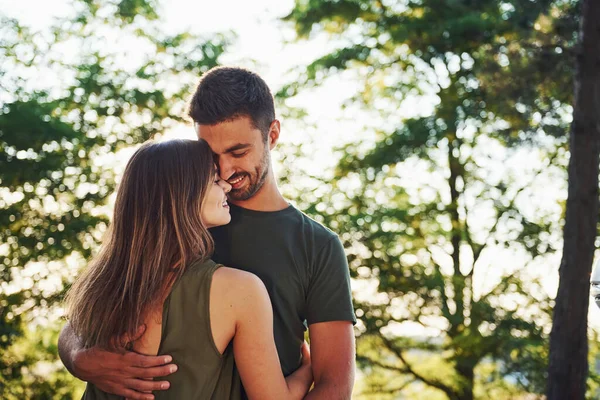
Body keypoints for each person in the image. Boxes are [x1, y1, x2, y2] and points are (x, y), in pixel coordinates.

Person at [58, 67, 357, 399]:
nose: (225, 171)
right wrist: (77, 357)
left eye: (238, 152)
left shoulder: (318, 245)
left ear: (272, 135)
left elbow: (334, 385)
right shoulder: (174, 221)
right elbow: (91, 312)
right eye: (211, 156)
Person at [63, 139, 313, 399]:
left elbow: (72, 331)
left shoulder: (102, 284)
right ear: (184, 195)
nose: (226, 184)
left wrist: (76, 358)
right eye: (215, 180)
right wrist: (308, 367)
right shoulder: (240, 290)